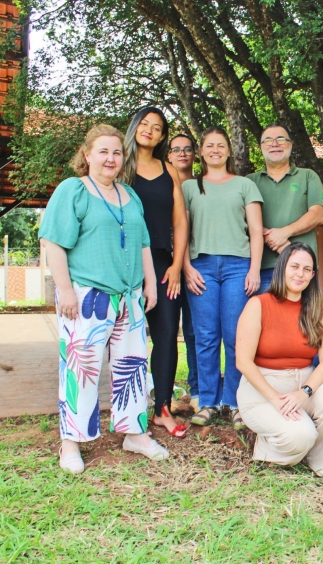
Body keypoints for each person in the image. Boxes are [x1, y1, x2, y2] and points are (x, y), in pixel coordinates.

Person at [40, 124, 168, 474]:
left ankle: (135, 434)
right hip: (87, 294)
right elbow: (53, 242)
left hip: (129, 296)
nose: (111, 158)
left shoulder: (130, 195)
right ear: (87, 155)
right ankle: (71, 443)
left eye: (116, 152)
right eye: (103, 151)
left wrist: (151, 285)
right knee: (81, 369)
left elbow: (143, 243)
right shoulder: (73, 191)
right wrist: (64, 289)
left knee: (133, 367)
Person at [236, 243, 323, 476]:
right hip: (263, 390)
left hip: (302, 385)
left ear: (312, 275)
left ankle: (321, 463)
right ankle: (271, 446)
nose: (300, 274)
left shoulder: (316, 309)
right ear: (282, 268)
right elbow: (243, 361)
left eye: (307, 269)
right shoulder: (258, 305)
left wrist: (304, 392)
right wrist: (276, 400)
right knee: (301, 436)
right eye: (295, 266)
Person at [182, 127, 264, 428]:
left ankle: (233, 402)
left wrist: (254, 268)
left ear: (229, 151)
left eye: (221, 145)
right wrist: (186, 268)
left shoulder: (244, 185)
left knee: (234, 336)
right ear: (201, 152)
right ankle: (207, 402)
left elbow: (256, 230)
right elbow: (182, 232)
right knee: (205, 337)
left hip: (237, 267)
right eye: (209, 146)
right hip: (200, 267)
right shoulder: (190, 188)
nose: (215, 149)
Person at [121, 107, 188, 438]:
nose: (149, 130)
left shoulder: (169, 170)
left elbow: (180, 220)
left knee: (164, 335)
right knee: (124, 338)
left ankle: (162, 407)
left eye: (157, 127)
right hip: (124, 264)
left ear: (162, 136)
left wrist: (176, 265)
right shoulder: (119, 166)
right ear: (134, 127)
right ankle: (125, 410)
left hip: (163, 264)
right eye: (144, 124)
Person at [246, 124, 323, 293]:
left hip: (302, 269)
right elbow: (241, 219)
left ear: (290, 145)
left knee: (302, 319)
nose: (275, 144)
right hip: (262, 269)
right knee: (265, 319)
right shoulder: (249, 181)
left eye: (281, 139)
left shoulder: (307, 176)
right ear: (261, 147)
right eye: (268, 140)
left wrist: (284, 233)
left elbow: (317, 213)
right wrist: (275, 241)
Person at [167, 133, 199, 412]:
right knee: (165, 333)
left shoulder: (202, 185)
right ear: (168, 155)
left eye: (187, 149)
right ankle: (164, 396)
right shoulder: (162, 185)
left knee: (193, 330)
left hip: (194, 268)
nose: (182, 153)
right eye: (176, 149)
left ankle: (197, 390)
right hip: (164, 266)